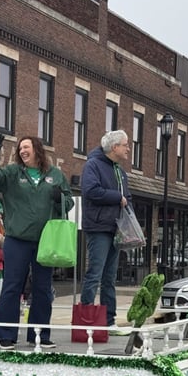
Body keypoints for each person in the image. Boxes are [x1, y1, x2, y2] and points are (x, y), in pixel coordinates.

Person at [0, 134, 74, 350]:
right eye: (20, 148)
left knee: (43, 288)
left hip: (46, 241)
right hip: (17, 240)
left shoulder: (55, 175)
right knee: (12, 286)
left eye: (26, 147)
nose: (23, 151)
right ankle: (6, 335)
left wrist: (60, 198)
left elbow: (68, 201)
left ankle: (39, 335)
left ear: (37, 149)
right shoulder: (13, 173)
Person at [79, 129, 133, 331]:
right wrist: (117, 198)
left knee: (110, 278)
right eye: (126, 144)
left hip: (116, 229)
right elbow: (91, 191)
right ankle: (85, 320)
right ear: (114, 147)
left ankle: (109, 321)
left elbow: (128, 198)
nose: (128, 148)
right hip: (99, 228)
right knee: (95, 274)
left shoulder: (120, 171)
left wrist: (132, 223)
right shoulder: (92, 165)